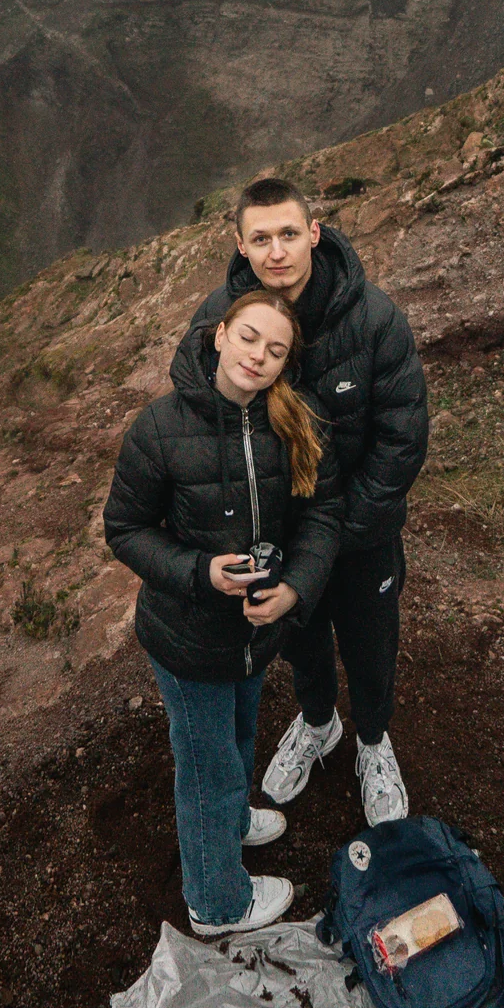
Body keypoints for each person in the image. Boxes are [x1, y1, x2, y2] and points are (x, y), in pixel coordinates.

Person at [173, 175, 428, 827]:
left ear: (314, 232)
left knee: (371, 640)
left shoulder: (374, 318)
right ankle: (319, 724)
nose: (277, 250)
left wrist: (341, 532)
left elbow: (403, 435)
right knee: (297, 639)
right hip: (275, 536)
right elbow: (192, 398)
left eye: (289, 233)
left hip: (360, 532)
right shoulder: (218, 321)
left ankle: (373, 741)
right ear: (240, 243)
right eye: (261, 237)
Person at [104, 288, 343, 936]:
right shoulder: (159, 427)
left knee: (238, 733)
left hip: (254, 633)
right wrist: (200, 571)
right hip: (186, 639)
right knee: (207, 765)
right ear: (218, 335)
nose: (258, 356)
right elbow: (124, 528)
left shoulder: (288, 423)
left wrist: (294, 587)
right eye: (248, 337)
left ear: (284, 363)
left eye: (275, 349)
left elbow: (320, 515)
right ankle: (216, 902)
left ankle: (234, 822)